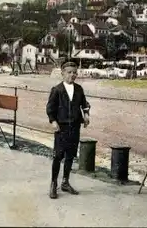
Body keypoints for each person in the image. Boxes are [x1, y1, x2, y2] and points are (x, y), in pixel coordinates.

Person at [46, 61, 91, 199]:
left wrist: (86, 115)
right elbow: (50, 108)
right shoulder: (57, 90)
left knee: (71, 155)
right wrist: (53, 121)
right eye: (69, 72)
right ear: (63, 73)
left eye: (75, 72)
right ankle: (54, 183)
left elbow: (85, 104)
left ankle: (65, 181)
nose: (72, 75)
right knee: (58, 155)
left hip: (75, 126)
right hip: (62, 127)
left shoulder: (79, 89)